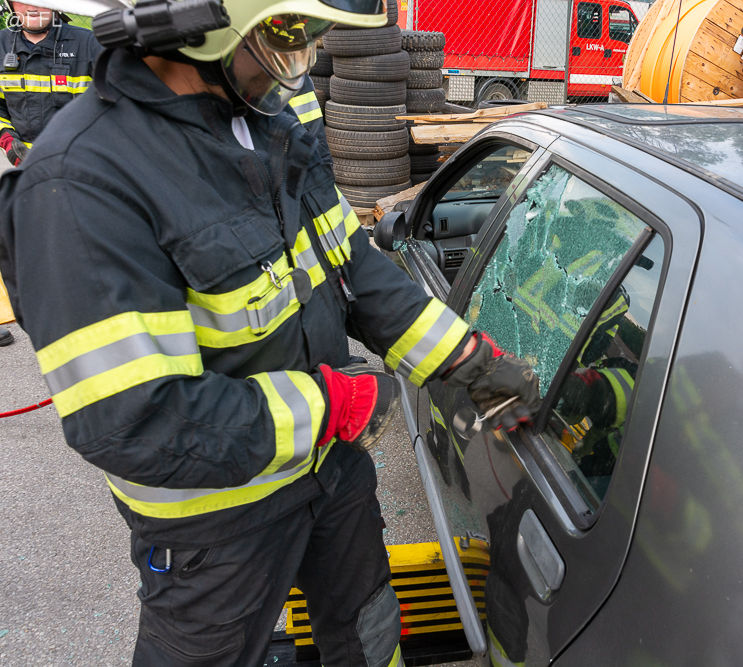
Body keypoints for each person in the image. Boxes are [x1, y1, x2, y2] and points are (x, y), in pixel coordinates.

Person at [0, 0, 541, 663]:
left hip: (329, 474)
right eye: (286, 35)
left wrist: (471, 362)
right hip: (214, 526)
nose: (299, 62)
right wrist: (334, 406)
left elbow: (354, 269)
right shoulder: (83, 181)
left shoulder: (266, 127)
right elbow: (133, 420)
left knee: (369, 629)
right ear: (202, 29)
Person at [0, 1, 102, 166]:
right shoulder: (1, 45)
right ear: (10, 4)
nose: (32, 7)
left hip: (81, 165)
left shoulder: (88, 44)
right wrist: (7, 140)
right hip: (27, 168)